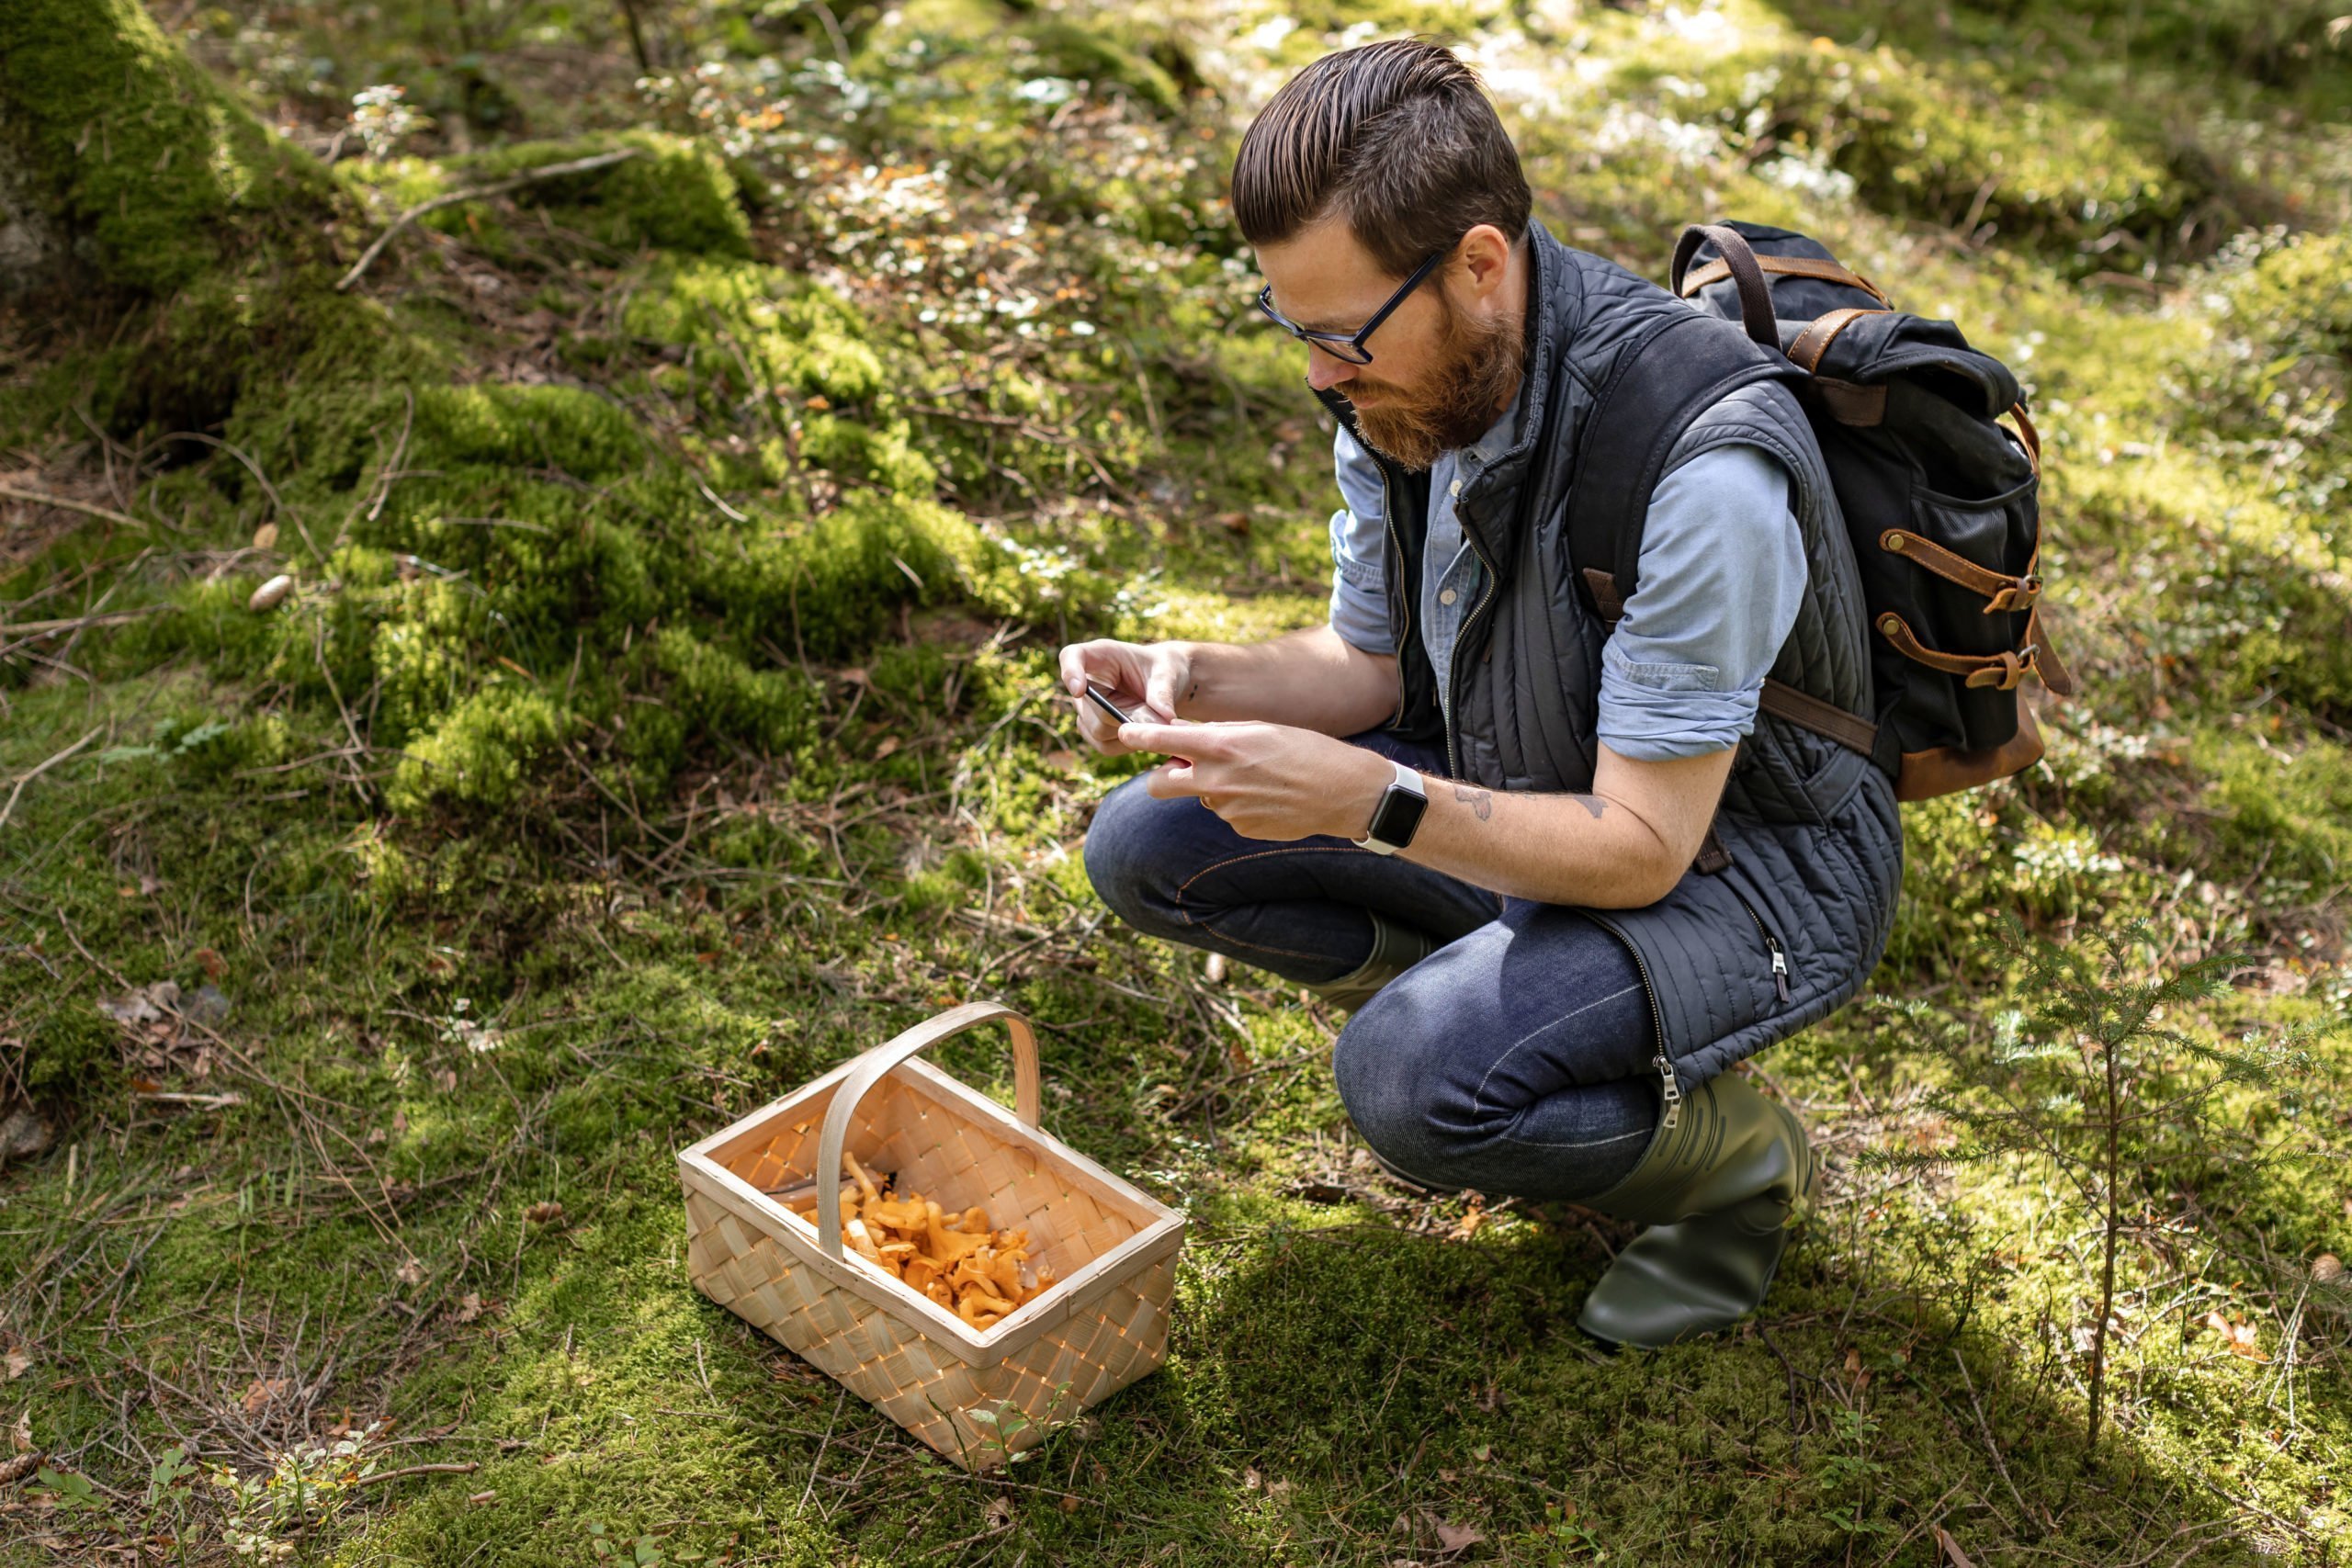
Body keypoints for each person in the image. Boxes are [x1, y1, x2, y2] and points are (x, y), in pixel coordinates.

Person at [1058, 39, 1899, 1348]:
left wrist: (1373, 805)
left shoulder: (1702, 474)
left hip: (1746, 865)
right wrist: (1190, 675)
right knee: (1151, 845)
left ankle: (1739, 1164)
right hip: (1528, 781)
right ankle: (1516, 1038)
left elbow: (1641, 845)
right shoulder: (1407, 388)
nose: (1322, 375)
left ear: (1482, 265)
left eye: (1341, 335)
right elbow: (1374, 666)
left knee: (1407, 1084)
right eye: (1296, 330)